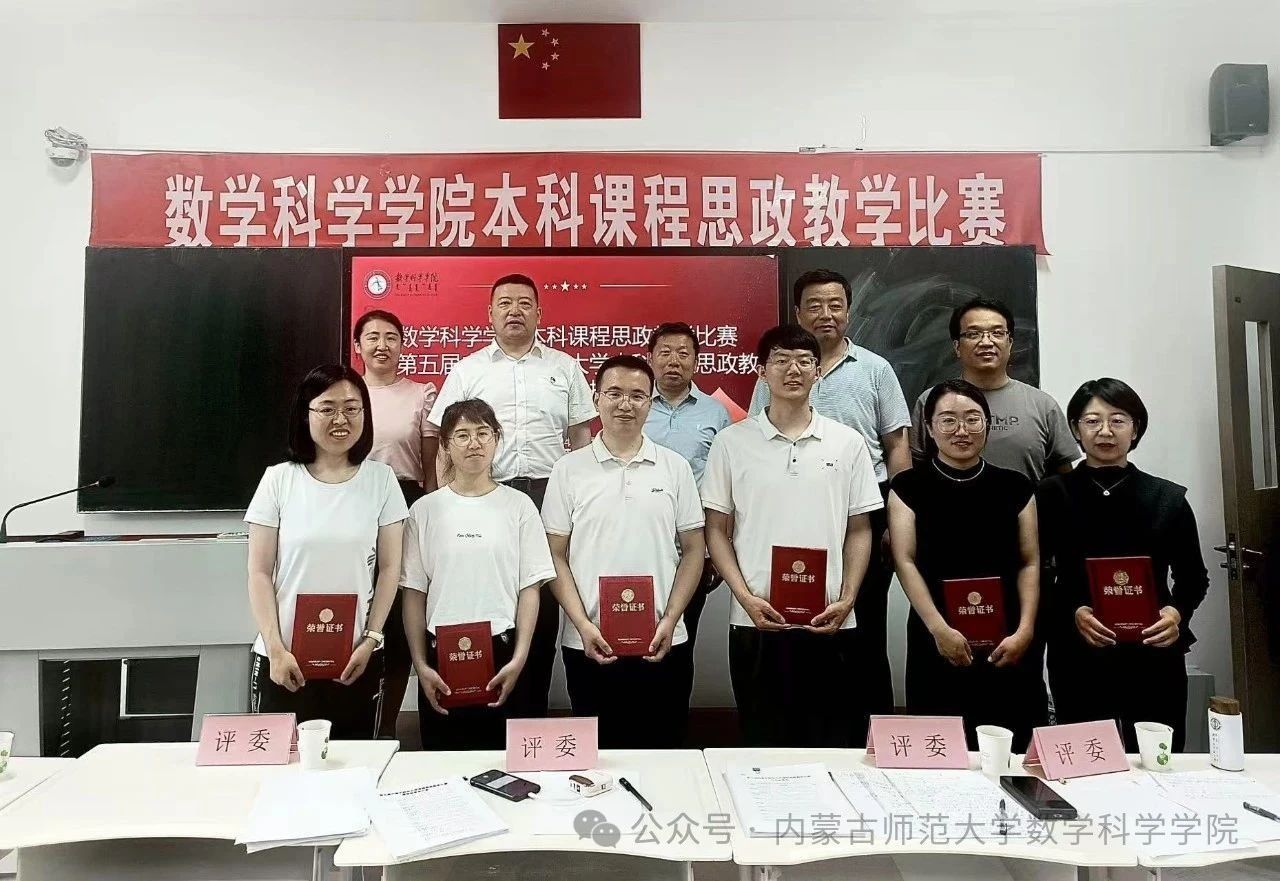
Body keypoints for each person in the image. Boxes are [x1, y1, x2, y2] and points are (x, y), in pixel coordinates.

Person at [749, 269, 912, 737]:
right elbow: (758, 437)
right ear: (798, 313)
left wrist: (895, 521)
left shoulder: (876, 369)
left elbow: (897, 446)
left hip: (863, 512)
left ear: (849, 311)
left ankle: (868, 736)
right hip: (793, 512)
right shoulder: (777, 371)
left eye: (836, 305)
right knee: (796, 626)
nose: (826, 314)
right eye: (815, 305)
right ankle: (804, 733)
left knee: (863, 625)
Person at [702, 326, 882, 748]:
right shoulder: (731, 443)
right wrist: (744, 597)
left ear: (818, 372)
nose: (793, 370)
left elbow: (859, 528)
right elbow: (716, 529)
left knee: (831, 738)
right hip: (756, 617)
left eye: (804, 361)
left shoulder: (847, 443)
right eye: (781, 360)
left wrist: (848, 598)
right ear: (761, 371)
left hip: (830, 618)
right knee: (762, 738)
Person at [427, 273, 596, 718]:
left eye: (524, 303)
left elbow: (581, 437)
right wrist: (448, 504)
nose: (514, 311)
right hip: (486, 497)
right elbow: (445, 442)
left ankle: (530, 716)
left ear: (540, 312)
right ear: (490, 313)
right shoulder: (468, 370)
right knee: (491, 594)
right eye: (504, 303)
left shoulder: (564, 367)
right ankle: (480, 707)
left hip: (550, 496)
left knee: (545, 601)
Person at [1037, 378, 1209, 752]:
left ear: (1136, 429)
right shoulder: (1050, 495)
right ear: (1075, 429)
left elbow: (1194, 577)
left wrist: (1176, 614)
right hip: (1078, 649)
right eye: (1092, 421)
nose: (1105, 431)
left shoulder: (1167, 497)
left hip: (1153, 649)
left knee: (1156, 759)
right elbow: (1036, 574)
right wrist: (1073, 611)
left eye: (1118, 420)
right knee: (1085, 758)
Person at [544, 355, 706, 749]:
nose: (625, 404)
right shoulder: (568, 470)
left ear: (650, 402)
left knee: (665, 752)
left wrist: (671, 618)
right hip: (589, 641)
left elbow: (693, 550)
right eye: (614, 393)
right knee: (597, 757)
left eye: (637, 395)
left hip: (662, 639)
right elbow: (554, 555)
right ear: (596, 399)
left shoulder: (674, 468)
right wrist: (582, 624)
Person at [245, 365, 407, 738]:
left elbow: (389, 568)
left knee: (356, 764)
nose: (341, 419)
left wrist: (371, 639)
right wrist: (275, 648)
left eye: (351, 408)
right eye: (328, 408)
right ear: (306, 414)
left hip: (356, 659)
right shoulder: (278, 480)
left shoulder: (381, 480)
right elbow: (258, 572)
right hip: (284, 660)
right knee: (281, 764)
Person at [890, 379, 1045, 749]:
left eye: (973, 419)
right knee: (941, 747)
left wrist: (1025, 629)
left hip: (1009, 638)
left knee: (1012, 745)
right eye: (948, 420)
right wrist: (938, 629)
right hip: (937, 634)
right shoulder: (908, 487)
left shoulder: (1016, 486)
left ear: (987, 425)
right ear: (929, 428)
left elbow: (1030, 561)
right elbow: (904, 561)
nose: (962, 430)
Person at [400, 399, 555, 750]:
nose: (474, 443)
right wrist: (421, 665)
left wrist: (520, 658)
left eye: (483, 433)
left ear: (497, 439)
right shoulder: (424, 511)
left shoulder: (519, 506)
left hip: (504, 653)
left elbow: (530, 589)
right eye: (462, 435)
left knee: (506, 765)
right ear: (445, 445)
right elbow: (414, 593)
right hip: (441, 659)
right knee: (445, 763)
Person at [353, 308, 439, 739]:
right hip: (353, 504)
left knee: (400, 614)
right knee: (358, 607)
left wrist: (432, 511)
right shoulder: (346, 395)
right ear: (358, 347)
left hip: (406, 503)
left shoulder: (421, 394)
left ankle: (385, 726)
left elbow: (430, 468)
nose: (382, 345)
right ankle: (353, 718)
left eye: (391, 337)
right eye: (372, 337)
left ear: (403, 345)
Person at [909, 297, 1077, 483]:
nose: (986, 342)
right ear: (957, 346)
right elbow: (915, 471)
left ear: (1010, 343)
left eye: (997, 333)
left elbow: (1065, 480)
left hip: (1026, 502)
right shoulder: (932, 401)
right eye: (974, 334)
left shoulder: (1042, 405)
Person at [642, 322, 731, 652]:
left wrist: (716, 551)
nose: (673, 361)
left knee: (682, 641)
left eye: (683, 353)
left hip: (693, 544)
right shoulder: (634, 407)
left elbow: (724, 484)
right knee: (633, 634)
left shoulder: (716, 413)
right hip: (641, 538)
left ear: (696, 361)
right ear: (650, 358)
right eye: (665, 352)